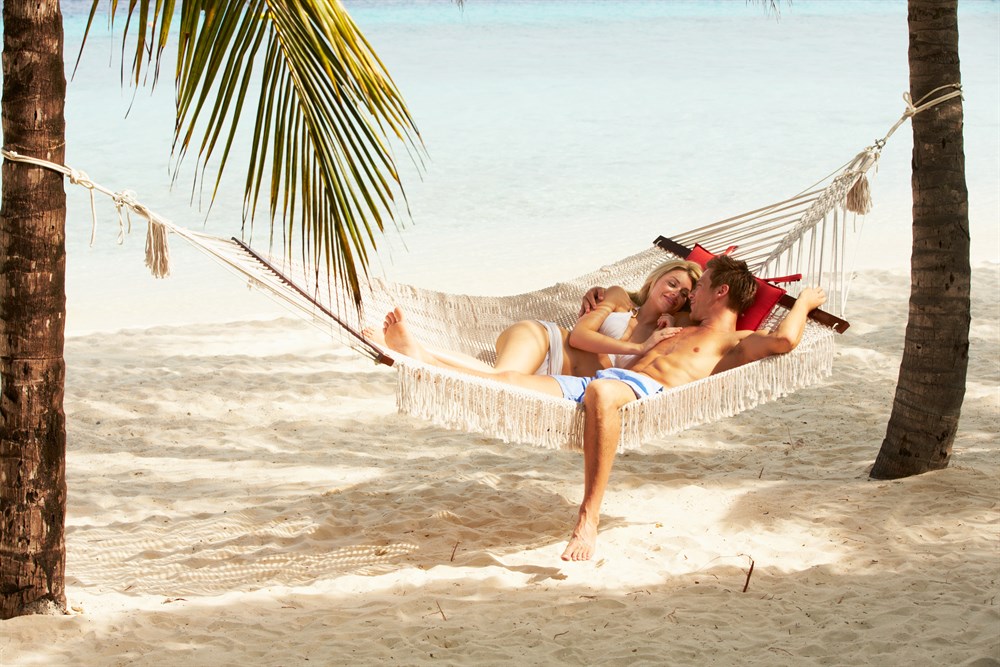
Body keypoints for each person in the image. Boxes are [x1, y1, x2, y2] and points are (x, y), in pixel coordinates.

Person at [380, 255, 826, 561]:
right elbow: (635, 308)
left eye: (701, 287)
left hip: (634, 392)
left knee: (602, 394)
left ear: (720, 291)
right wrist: (610, 300)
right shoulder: (685, 324)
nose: (692, 294)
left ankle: (587, 518)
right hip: (598, 383)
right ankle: (419, 356)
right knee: (510, 383)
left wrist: (803, 303)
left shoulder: (733, 342)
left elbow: (785, 340)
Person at [374, 260, 702, 380]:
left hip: (552, 379)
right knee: (501, 378)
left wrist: (652, 342)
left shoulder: (670, 335)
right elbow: (578, 338)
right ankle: (416, 353)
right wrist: (639, 344)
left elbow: (630, 379)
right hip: (543, 339)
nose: (675, 293)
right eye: (672, 283)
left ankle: (417, 353)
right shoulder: (618, 297)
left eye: (685, 293)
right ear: (656, 279)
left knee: (496, 379)